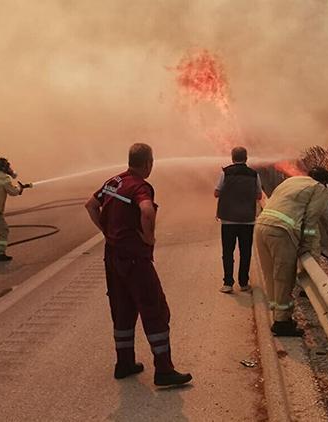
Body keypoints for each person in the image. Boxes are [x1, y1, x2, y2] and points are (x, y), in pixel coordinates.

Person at [84, 142, 192, 387]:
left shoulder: (114, 181)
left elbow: (90, 205)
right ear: (148, 163)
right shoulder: (141, 186)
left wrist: (106, 230)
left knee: (122, 310)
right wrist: (149, 237)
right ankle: (164, 370)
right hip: (135, 260)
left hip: (112, 257)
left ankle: (124, 364)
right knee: (155, 310)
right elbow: (146, 210)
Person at [255, 167, 328, 337]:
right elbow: (312, 218)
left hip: (262, 226)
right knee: (284, 278)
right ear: (325, 182)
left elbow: (321, 214)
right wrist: (306, 244)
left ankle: (278, 315)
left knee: (271, 276)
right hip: (281, 232)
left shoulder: (292, 181)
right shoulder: (320, 188)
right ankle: (282, 323)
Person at [215, 146, 263, 293]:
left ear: (232, 157)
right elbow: (259, 196)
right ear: (246, 158)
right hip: (247, 220)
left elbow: (217, 193)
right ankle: (244, 283)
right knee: (245, 252)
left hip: (228, 220)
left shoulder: (225, 173)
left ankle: (228, 283)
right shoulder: (254, 175)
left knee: (228, 252)